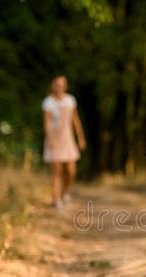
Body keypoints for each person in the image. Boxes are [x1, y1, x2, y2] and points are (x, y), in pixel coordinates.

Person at [42, 75, 86, 209]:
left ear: (65, 86)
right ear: (53, 86)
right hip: (54, 138)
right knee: (57, 172)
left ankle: (65, 192)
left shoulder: (70, 100)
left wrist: (80, 137)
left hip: (68, 138)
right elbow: (47, 122)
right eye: (57, 84)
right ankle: (56, 199)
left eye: (62, 85)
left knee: (71, 169)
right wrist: (50, 139)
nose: (59, 87)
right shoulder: (48, 102)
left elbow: (75, 120)